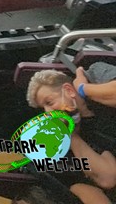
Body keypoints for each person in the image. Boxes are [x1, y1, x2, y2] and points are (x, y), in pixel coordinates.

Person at [26, 68, 116, 203]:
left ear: (68, 90)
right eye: (43, 109)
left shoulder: (97, 80)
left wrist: (83, 89)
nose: (48, 112)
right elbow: (108, 178)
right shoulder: (68, 148)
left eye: (49, 102)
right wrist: (71, 135)